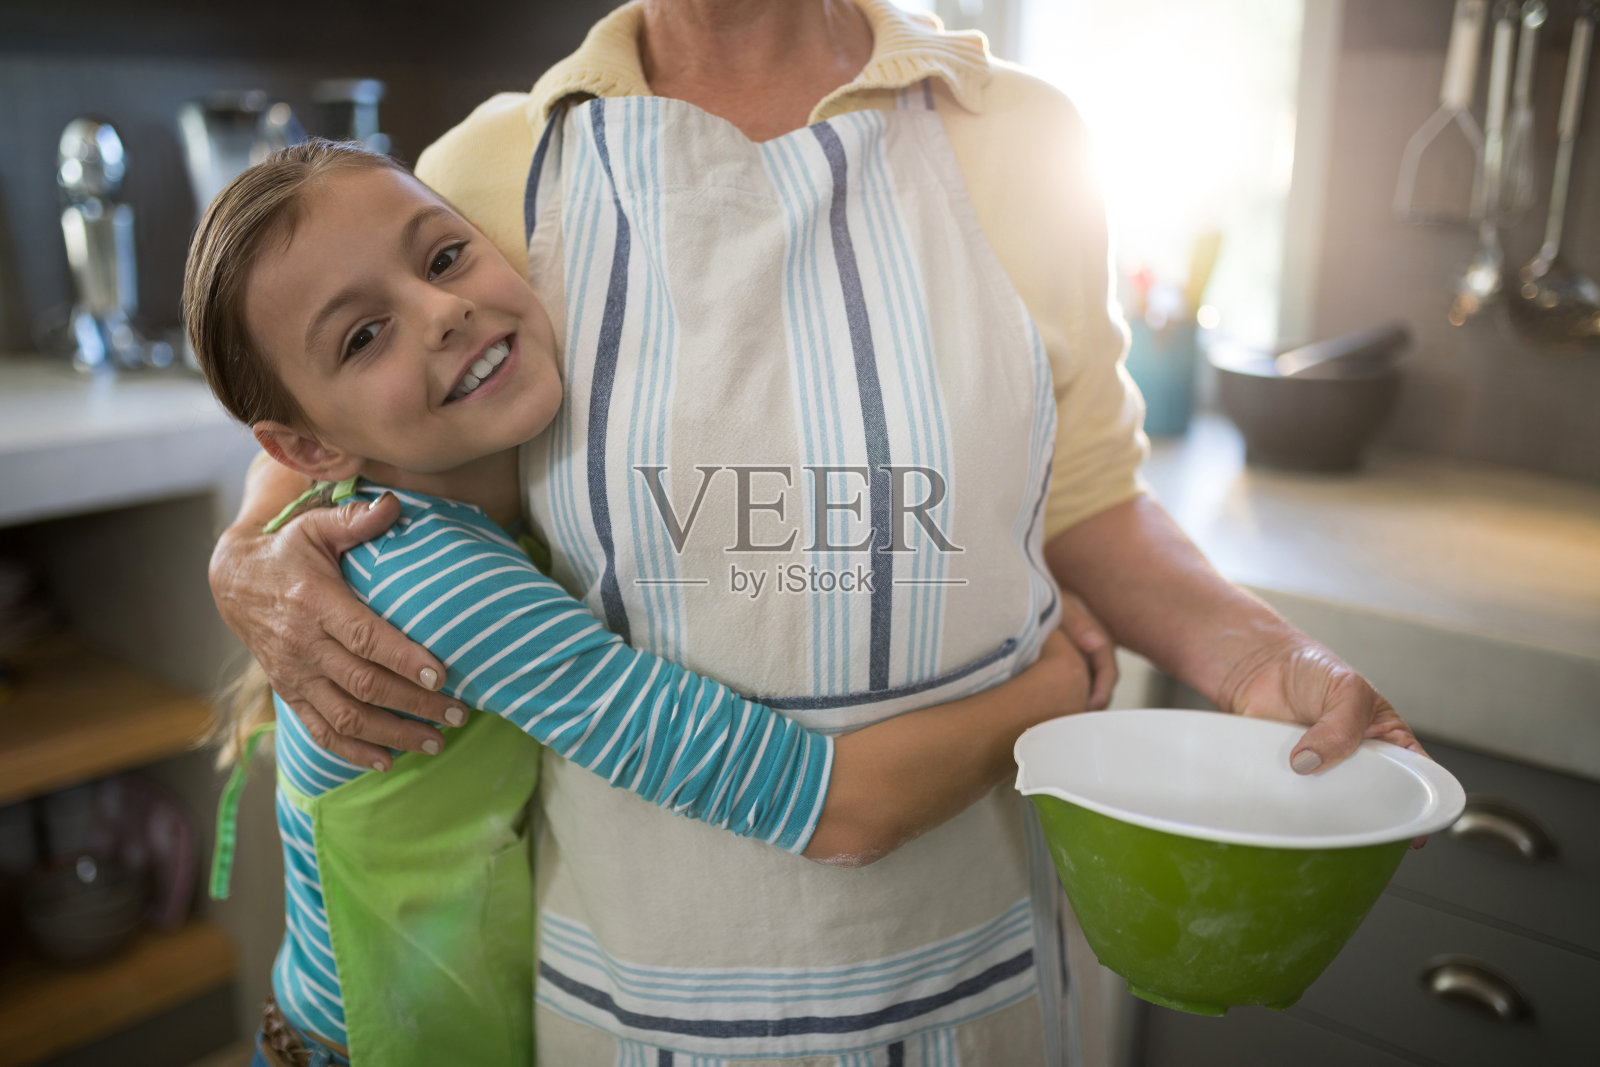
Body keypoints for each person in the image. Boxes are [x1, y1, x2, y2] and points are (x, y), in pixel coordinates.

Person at [208, 1, 1426, 1061]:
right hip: (632, 1002)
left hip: (976, 963)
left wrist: (1260, 656)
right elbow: (341, 459)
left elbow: (1087, 493)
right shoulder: (490, 169)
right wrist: (244, 558)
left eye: (439, 267)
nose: (434, 304)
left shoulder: (1022, 137)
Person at [187, 140, 1089, 1066]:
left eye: (445, 256)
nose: (442, 309)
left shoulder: (441, 490)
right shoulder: (433, 582)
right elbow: (837, 808)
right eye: (362, 336)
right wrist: (1059, 685)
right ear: (309, 449)